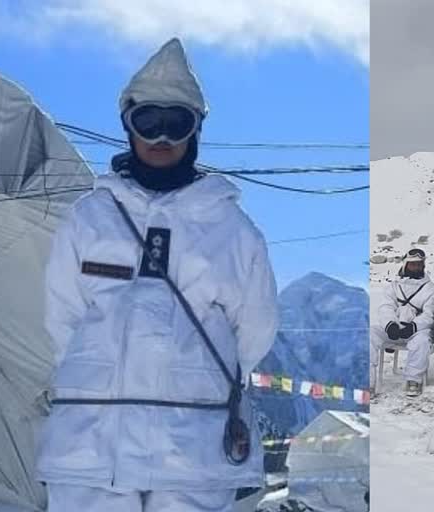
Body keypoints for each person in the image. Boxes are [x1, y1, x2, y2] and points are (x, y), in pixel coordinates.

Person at [37, 39, 279, 512]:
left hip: (192, 449)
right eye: (148, 122)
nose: (162, 139)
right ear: (128, 126)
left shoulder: (234, 230)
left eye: (176, 124)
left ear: (196, 129)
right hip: (92, 444)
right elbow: (61, 317)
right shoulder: (89, 219)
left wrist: (192, 381)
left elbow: (255, 331)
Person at [370, 248, 434, 397]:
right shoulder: (393, 286)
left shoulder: (431, 290)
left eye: (419, 264)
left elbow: (429, 315)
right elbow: (386, 307)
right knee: (369, 334)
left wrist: (414, 326)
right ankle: (367, 381)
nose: (416, 267)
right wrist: (390, 324)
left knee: (422, 341)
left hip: (416, 330)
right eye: (412, 264)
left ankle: (414, 380)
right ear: (405, 265)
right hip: (394, 329)